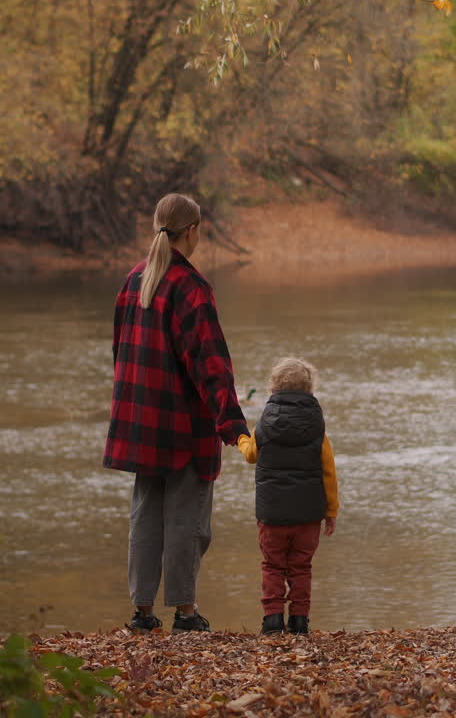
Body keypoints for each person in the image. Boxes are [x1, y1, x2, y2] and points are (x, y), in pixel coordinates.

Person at [104, 193, 250, 634]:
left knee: (146, 516)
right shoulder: (191, 287)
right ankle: (186, 612)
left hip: (140, 424)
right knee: (187, 520)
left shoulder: (133, 281)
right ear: (192, 231)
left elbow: (120, 353)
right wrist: (235, 428)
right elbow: (210, 365)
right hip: (184, 428)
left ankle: (142, 611)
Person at [237, 357, 339, 635]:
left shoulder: (265, 424)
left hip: (272, 515)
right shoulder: (318, 428)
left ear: (273, 387)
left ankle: (272, 620)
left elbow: (250, 455)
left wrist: (241, 438)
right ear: (310, 389)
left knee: (273, 565)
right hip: (308, 516)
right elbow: (329, 472)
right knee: (301, 567)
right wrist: (331, 511)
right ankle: (299, 621)